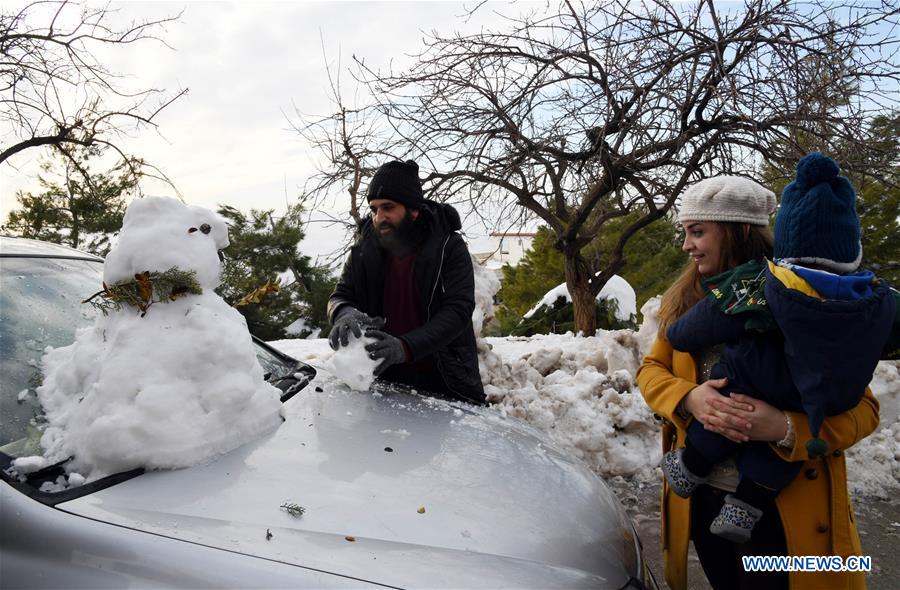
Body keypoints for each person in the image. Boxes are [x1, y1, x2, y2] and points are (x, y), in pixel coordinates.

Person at [636, 172, 880, 590]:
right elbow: (650, 371)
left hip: (780, 513)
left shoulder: (805, 297)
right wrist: (688, 397)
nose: (686, 245)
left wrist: (787, 429)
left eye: (698, 232)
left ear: (739, 230)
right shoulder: (684, 302)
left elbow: (863, 409)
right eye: (686, 232)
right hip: (705, 502)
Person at [327, 159, 485, 404]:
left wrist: (405, 347)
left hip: (442, 377)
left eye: (388, 207)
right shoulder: (363, 249)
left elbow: (458, 309)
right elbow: (341, 295)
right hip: (380, 375)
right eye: (374, 208)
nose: (379, 217)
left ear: (413, 209)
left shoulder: (448, 246)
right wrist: (343, 313)